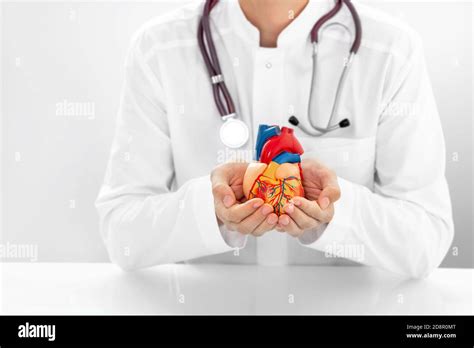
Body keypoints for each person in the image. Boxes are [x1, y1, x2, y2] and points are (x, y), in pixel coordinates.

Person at [95, 0, 454, 278]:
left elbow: (425, 239)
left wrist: (334, 210)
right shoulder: (158, 49)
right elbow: (122, 234)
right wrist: (210, 209)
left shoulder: (391, 52)